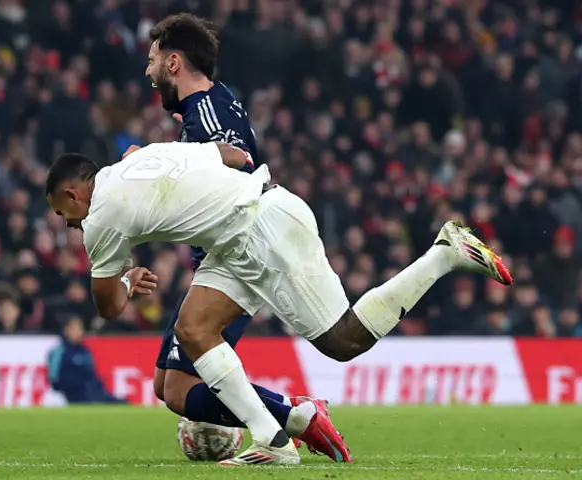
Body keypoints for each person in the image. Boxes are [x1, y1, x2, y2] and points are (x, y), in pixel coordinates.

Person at [45, 140, 512, 465]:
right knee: (193, 330)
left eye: (63, 215)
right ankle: (273, 438)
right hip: (243, 228)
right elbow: (234, 155)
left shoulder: (99, 217)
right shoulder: (144, 158)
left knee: (343, 341)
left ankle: (443, 256)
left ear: (72, 193)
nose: (69, 225)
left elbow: (107, 308)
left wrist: (125, 280)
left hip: (259, 232)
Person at [142, 13, 349, 462]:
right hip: (221, 255)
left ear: (173, 63)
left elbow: (235, 159)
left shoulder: (207, 109)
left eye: (153, 60)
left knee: (180, 388)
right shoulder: (212, 104)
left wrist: (159, 162)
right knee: (167, 386)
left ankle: (293, 418)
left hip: (236, 256)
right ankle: (291, 416)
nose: (148, 71)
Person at [47, 315, 126, 404]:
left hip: (95, 394)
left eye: (80, 328)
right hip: (77, 396)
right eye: (74, 328)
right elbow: (55, 380)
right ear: (66, 330)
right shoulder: (60, 351)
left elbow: (92, 374)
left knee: (123, 404)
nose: (78, 332)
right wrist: (76, 383)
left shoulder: (85, 351)